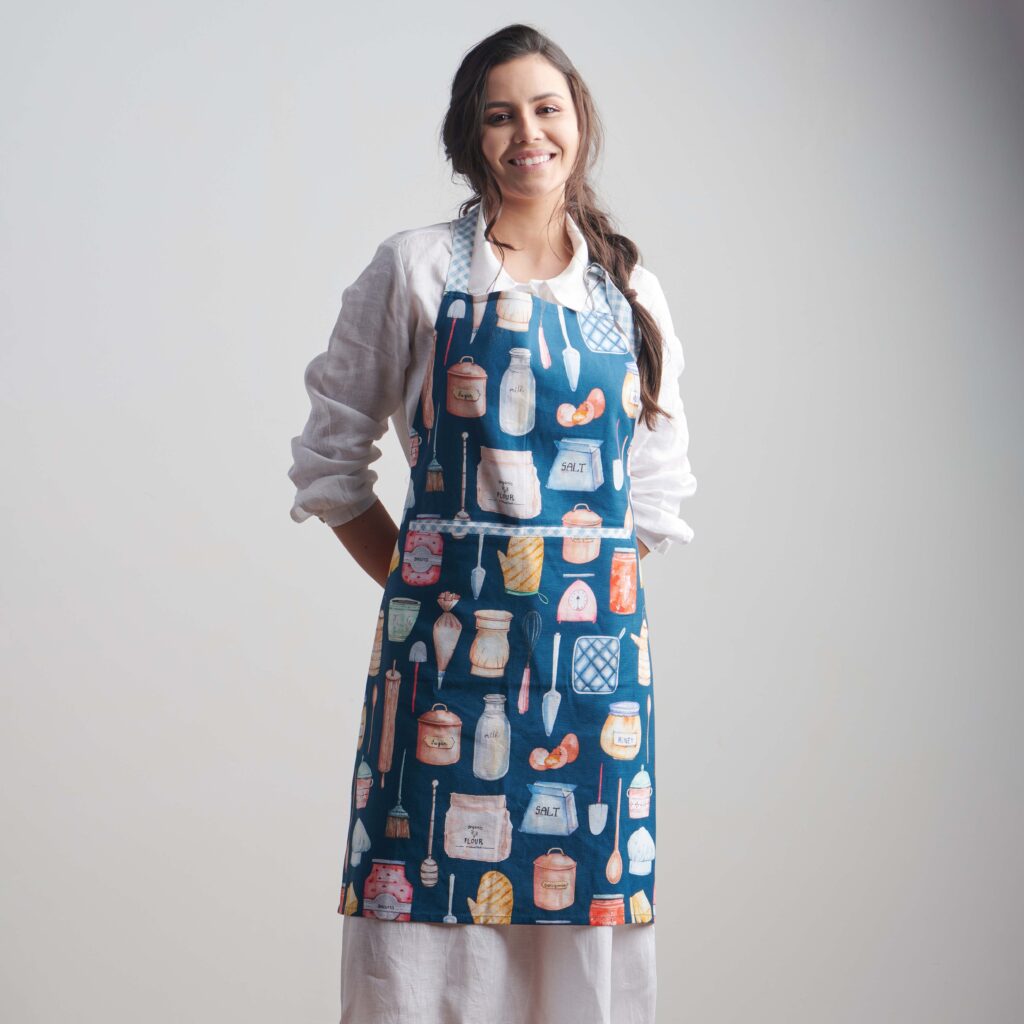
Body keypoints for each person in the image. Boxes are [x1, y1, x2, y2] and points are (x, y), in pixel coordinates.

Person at [287, 23, 697, 1024]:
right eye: (500, 115)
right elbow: (331, 462)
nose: (528, 134)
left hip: (590, 680)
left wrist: (567, 595)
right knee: (422, 910)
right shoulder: (418, 268)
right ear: (469, 136)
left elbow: (654, 495)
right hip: (442, 669)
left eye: (546, 109)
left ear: (578, 120)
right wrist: (427, 583)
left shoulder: (629, 292)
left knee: (581, 908)